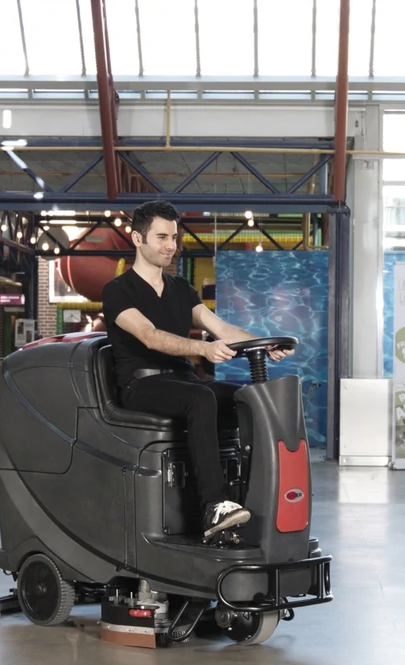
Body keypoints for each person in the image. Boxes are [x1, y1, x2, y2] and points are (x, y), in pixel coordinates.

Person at [101, 200, 282, 540]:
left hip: (182, 382)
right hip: (142, 385)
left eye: (173, 237)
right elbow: (150, 336)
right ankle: (214, 505)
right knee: (200, 398)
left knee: (247, 399)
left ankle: (248, 497)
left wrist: (265, 344)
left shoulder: (181, 289)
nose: (170, 245)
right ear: (138, 239)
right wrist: (203, 348)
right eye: (161, 237)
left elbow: (222, 328)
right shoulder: (118, 291)